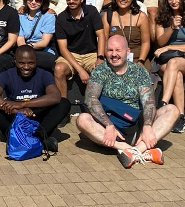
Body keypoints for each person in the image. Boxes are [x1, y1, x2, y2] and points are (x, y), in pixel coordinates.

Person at [75, 35, 179, 168]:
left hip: (136, 126)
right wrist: (108, 125)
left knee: (172, 110)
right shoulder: (100, 71)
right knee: (82, 119)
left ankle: (136, 151)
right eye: (110, 50)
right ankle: (129, 148)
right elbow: (90, 99)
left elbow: (149, 102)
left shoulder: (139, 71)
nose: (114, 54)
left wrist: (147, 126)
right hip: (109, 131)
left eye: (118, 50)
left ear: (127, 51)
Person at [0, 46, 69, 154]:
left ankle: (35, 136)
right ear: (15, 61)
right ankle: (17, 135)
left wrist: (23, 104)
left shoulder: (44, 74)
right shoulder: (7, 75)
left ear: (36, 61)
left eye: (31, 63)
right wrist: (17, 111)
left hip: (35, 115)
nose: (26, 67)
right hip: (15, 116)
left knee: (64, 103)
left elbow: (55, 96)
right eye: (21, 63)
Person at [152, 0, 185, 134]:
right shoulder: (162, 17)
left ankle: (163, 103)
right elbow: (160, 42)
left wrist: (170, 47)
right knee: (177, 76)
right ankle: (180, 116)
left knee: (174, 64)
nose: (174, 1)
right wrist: (172, 28)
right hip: (163, 59)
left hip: (184, 57)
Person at [54, 0, 106, 98]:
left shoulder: (92, 11)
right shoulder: (61, 18)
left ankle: (99, 108)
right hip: (72, 54)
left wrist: (100, 57)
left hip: (91, 53)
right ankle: (63, 106)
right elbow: (63, 49)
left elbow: (101, 35)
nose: (71, 1)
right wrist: (80, 70)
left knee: (102, 70)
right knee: (59, 69)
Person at [102, 0, 151, 71]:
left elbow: (146, 42)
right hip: (114, 59)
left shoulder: (141, 17)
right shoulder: (108, 15)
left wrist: (141, 61)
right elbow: (104, 42)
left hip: (137, 59)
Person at [16, 0, 57, 69]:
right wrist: (25, 51)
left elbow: (44, 42)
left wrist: (28, 48)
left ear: (43, 2)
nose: (33, 2)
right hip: (24, 49)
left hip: (43, 51)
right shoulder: (20, 16)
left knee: (26, 61)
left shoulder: (49, 16)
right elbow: (20, 39)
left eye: (38, 0)